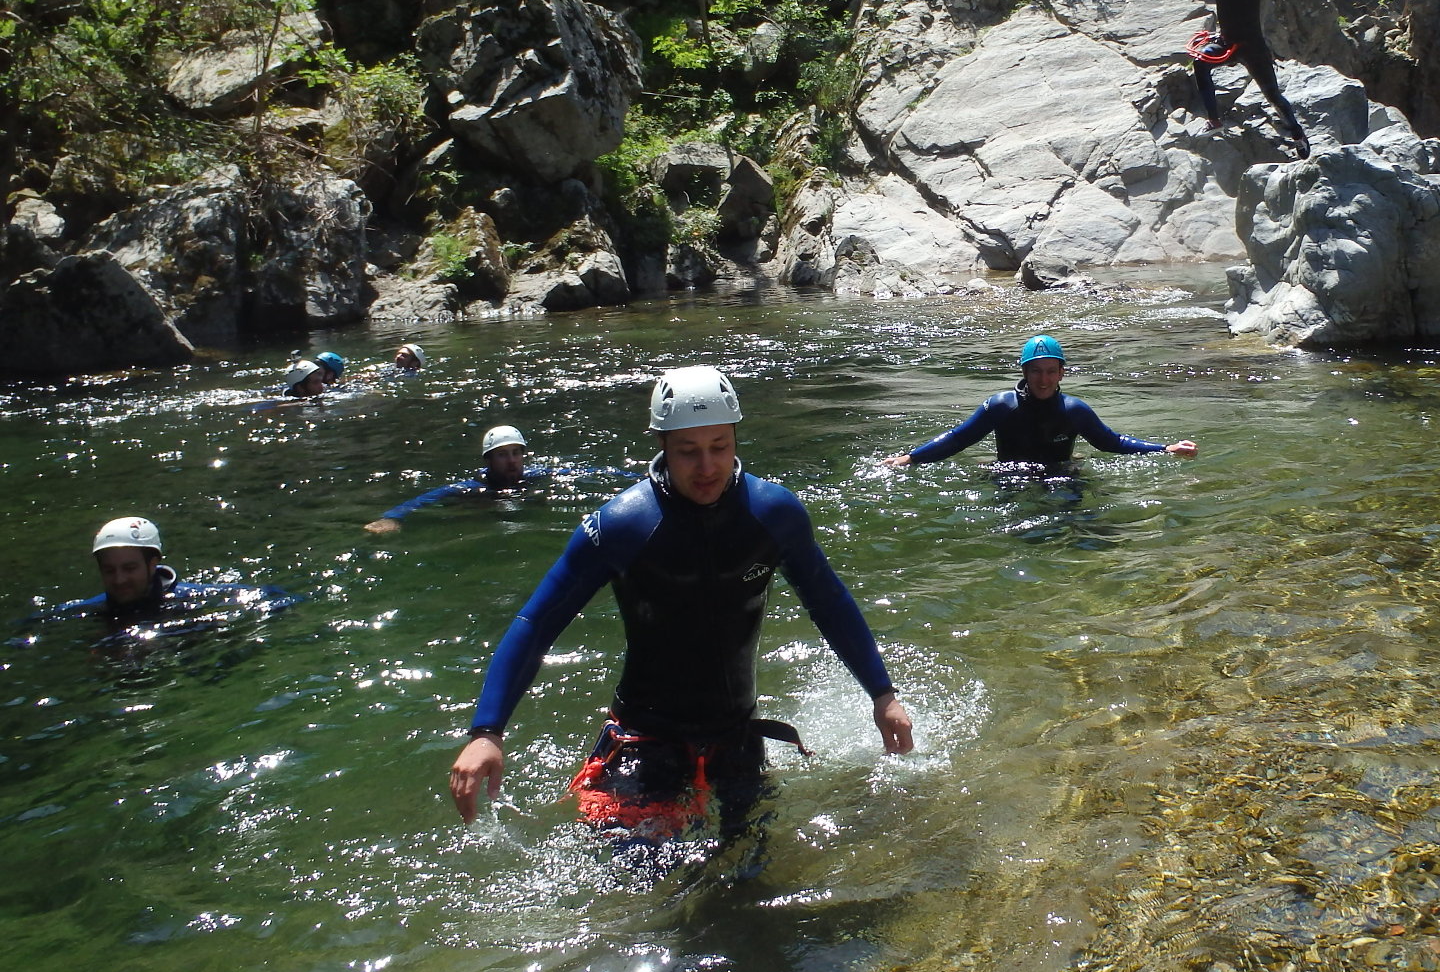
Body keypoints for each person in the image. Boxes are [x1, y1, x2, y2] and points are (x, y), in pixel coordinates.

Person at [448, 367, 912, 837]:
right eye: (688, 451)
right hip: (643, 739)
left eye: (719, 447)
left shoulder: (774, 514)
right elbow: (537, 622)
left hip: (736, 734)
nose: (707, 466)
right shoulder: (622, 525)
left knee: (748, 878)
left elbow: (829, 602)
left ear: (735, 438)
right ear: (662, 445)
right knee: (637, 886)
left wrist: (882, 695)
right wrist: (488, 731)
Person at [882, 335, 1197, 472]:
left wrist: (1165, 449)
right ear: (1024, 372)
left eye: (1050, 371)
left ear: (1061, 373)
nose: (1043, 380)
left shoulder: (1075, 411)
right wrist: (912, 458)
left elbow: (1111, 443)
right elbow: (959, 438)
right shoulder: (1001, 406)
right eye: (1036, 371)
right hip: (1010, 474)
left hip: (1062, 472)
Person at [1137, 0, 1310, 154]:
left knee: (1273, 96)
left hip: (1253, 47)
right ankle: (1214, 121)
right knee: (1200, 62)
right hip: (1227, 42)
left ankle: (1298, 134)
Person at [36, 516, 299, 629]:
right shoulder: (92, 610)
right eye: (109, 570)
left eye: (129, 568)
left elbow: (275, 597)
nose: (119, 580)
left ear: (153, 565)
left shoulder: (192, 599)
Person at [365, 426, 603, 534]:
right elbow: (425, 498)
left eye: (516, 453)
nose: (511, 461)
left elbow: (593, 472)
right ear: (488, 461)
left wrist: (638, 479)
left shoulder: (535, 476)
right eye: (502, 455)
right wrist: (392, 517)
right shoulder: (473, 488)